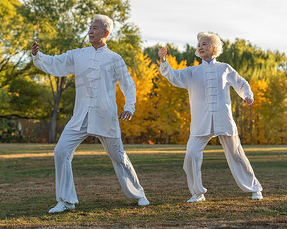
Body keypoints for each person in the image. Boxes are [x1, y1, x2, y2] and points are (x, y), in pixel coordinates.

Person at [32, 14, 149, 213]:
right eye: (90, 27)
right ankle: (65, 201)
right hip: (80, 118)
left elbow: (128, 85)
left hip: (106, 117)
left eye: (95, 28)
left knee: (119, 157)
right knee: (61, 152)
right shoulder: (78, 55)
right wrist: (38, 55)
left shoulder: (115, 58)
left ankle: (139, 194)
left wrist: (130, 107)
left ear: (106, 32)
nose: (91, 31)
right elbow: (56, 63)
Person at [158, 32, 263, 203]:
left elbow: (241, 83)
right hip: (201, 122)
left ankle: (255, 188)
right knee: (191, 154)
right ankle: (197, 193)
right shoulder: (192, 72)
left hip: (223, 119)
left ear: (214, 48)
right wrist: (163, 62)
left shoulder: (224, 68)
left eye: (204, 43)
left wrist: (247, 95)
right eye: (199, 44)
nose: (200, 46)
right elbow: (174, 76)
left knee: (236, 155)